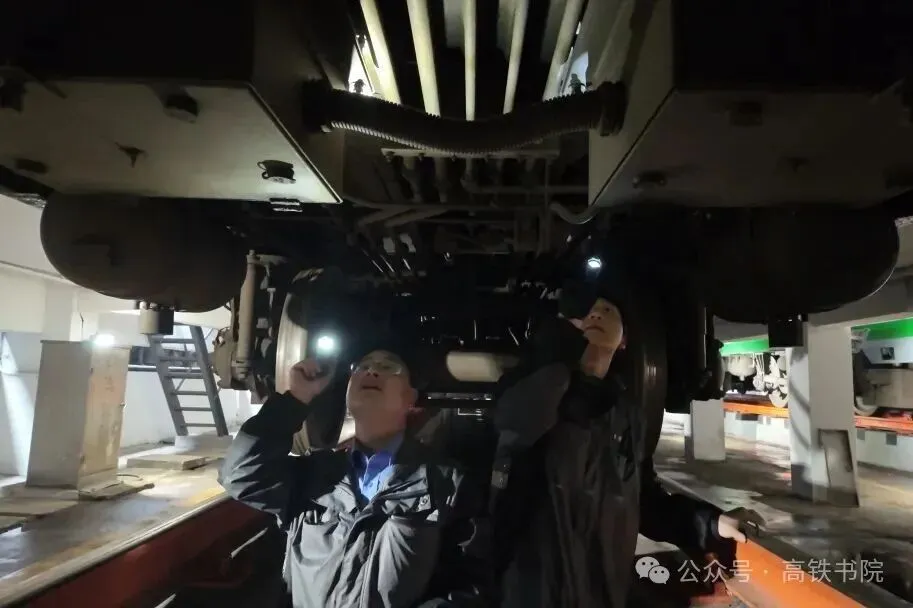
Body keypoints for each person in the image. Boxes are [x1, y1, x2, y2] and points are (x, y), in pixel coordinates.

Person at [491, 291, 763, 608]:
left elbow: (642, 500)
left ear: (624, 340)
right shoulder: (537, 393)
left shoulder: (627, 417)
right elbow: (516, 428)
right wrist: (565, 359)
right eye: (588, 311)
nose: (596, 315)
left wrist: (711, 523)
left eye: (608, 311)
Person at [220, 343, 491, 608]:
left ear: (411, 398)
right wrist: (296, 397)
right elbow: (240, 475)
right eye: (363, 366)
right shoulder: (311, 475)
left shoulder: (447, 483)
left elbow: (474, 584)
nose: (372, 371)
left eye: (388, 367)